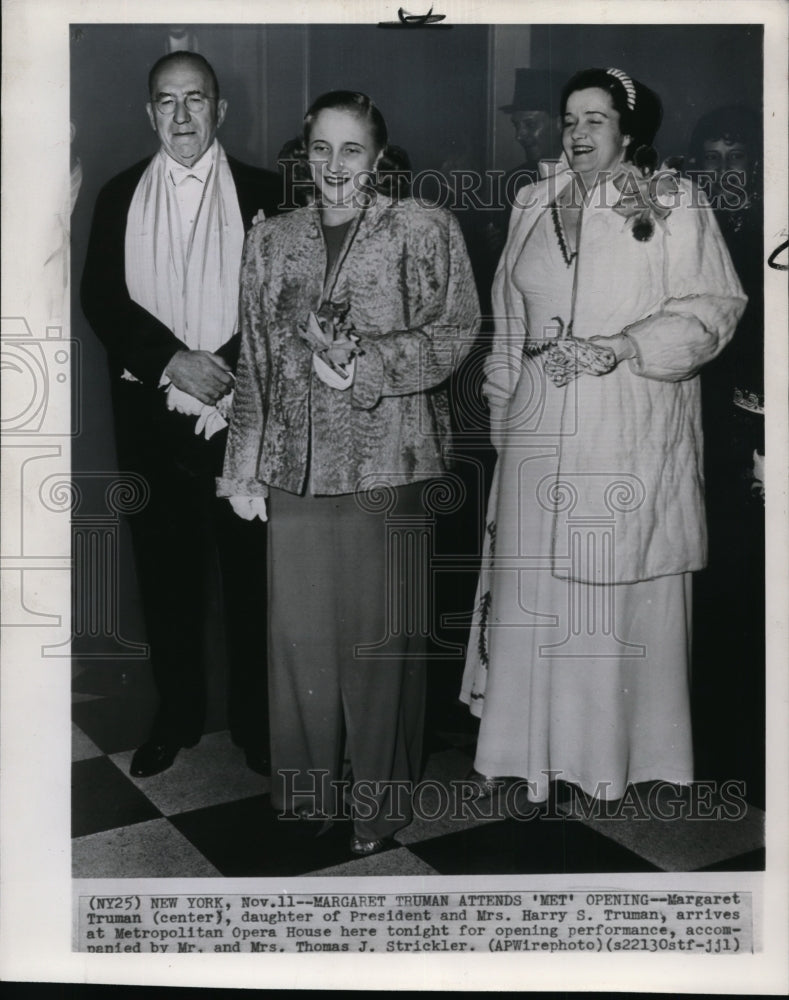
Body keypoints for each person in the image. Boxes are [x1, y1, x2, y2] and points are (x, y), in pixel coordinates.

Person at [460, 67, 746, 805]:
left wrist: (623, 345)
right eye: (569, 118)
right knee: (537, 593)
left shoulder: (671, 200)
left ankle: (607, 761)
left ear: (626, 130)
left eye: (595, 118)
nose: (578, 132)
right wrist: (502, 401)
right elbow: (507, 318)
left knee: (607, 593)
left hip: (626, 425)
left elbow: (714, 307)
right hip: (535, 432)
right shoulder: (530, 201)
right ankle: (533, 757)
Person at [218, 90, 479, 853]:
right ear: (303, 155)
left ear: (379, 157)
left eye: (352, 150)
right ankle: (306, 798)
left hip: (386, 460)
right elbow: (255, 362)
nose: (334, 167)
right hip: (294, 470)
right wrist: (243, 469)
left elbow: (456, 331)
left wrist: (367, 361)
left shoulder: (424, 228)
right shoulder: (270, 239)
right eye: (320, 150)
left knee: (378, 649)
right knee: (295, 643)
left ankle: (378, 807)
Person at [81, 52, 282, 777]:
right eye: (167, 102)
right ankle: (177, 714)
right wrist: (174, 360)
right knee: (166, 577)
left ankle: (258, 726)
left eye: (196, 100)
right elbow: (102, 298)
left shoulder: (267, 190)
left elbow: (281, 301)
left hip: (244, 412)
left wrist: (218, 366)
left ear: (221, 110)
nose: (183, 116)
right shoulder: (116, 196)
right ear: (149, 113)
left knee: (252, 578)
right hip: (153, 420)